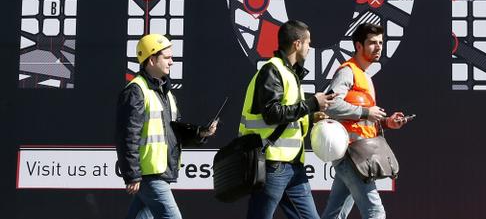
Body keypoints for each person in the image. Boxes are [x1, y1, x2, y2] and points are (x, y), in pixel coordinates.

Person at [239, 19, 335, 219]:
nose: (310, 47)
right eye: (308, 42)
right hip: (273, 163)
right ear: (297, 44)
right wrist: (312, 104)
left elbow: (288, 113)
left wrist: (311, 115)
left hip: (292, 165)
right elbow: (272, 114)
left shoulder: (289, 73)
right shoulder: (272, 70)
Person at [116, 33, 218, 219]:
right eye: (167, 57)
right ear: (152, 60)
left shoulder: (165, 93)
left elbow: (174, 131)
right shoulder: (136, 91)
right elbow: (128, 135)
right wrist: (132, 175)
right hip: (150, 175)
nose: (171, 62)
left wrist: (201, 133)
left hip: (159, 172)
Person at [322, 23, 410, 219]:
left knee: (335, 215)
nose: (378, 47)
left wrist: (386, 122)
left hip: (358, 154)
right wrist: (365, 112)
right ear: (358, 46)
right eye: (372, 43)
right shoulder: (347, 71)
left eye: (380, 42)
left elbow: (365, 119)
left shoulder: (365, 77)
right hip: (351, 155)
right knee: (375, 213)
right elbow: (330, 104)